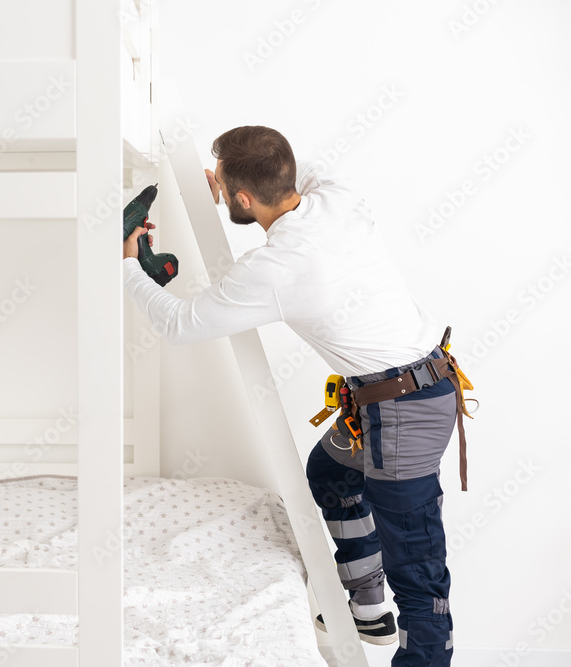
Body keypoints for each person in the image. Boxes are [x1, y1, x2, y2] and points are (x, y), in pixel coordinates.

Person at [122, 125, 456, 666]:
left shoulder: (276, 269)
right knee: (331, 474)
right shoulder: (336, 199)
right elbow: (292, 165)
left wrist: (126, 267)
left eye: (227, 188)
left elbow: (182, 324)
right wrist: (233, 182)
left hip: (401, 415)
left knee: (419, 577)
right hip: (398, 396)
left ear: (243, 199)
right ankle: (367, 606)